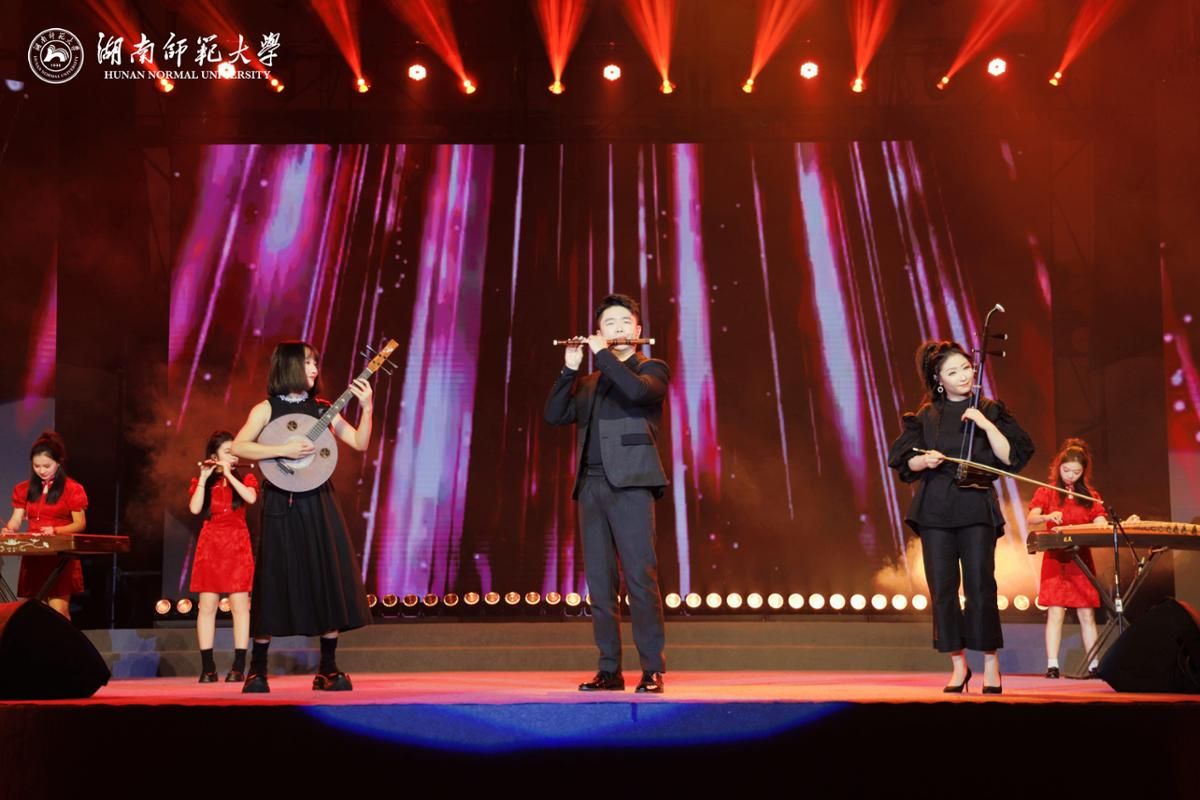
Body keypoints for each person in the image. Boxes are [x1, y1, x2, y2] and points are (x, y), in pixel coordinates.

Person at [887, 340, 1034, 694]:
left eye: (966, 368)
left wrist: (985, 424)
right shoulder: (926, 416)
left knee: (981, 585)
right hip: (936, 508)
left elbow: (1010, 457)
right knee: (943, 588)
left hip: (975, 505)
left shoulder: (989, 409)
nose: (963, 376)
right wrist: (924, 461)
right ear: (938, 380)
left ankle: (991, 664)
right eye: (953, 372)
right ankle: (958, 665)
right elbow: (904, 461)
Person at [231, 341, 373, 693]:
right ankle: (257, 669)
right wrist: (283, 449)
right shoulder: (266, 409)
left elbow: (359, 442)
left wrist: (367, 407)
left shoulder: (322, 408)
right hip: (281, 501)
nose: (314, 369)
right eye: (308, 362)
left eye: (315, 362)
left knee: (326, 574)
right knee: (273, 577)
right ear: (289, 366)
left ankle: (328, 668)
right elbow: (238, 446)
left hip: (319, 500)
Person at [544, 293, 669, 694]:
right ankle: (609, 670)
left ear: (637, 330)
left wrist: (603, 356)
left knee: (640, 580)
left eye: (623, 323)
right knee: (600, 584)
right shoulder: (590, 382)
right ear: (598, 331)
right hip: (591, 487)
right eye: (608, 324)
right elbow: (554, 416)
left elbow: (637, 393)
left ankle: (652, 669)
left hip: (632, 483)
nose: (617, 329)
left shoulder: (651, 368)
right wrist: (569, 370)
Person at [1026, 438, 1107, 678]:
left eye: (1076, 472)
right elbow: (1032, 518)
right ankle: (1052, 665)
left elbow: (1099, 518)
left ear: (1083, 472)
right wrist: (1047, 517)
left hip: (1081, 559)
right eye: (1066, 470)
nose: (1071, 476)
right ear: (1058, 467)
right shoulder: (1047, 492)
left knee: (1086, 613)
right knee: (1055, 612)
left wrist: (1101, 522)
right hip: (1056, 558)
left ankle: (1094, 666)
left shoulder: (1090, 495)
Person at [188, 430, 258, 683]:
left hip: (237, 543)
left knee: (240, 606)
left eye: (235, 452)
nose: (234, 456)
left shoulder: (246, 477)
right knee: (207, 606)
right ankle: (208, 668)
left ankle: (238, 666)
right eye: (228, 452)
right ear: (214, 456)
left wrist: (229, 474)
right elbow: (195, 508)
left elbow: (250, 497)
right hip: (211, 545)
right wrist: (204, 478)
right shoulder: (204, 481)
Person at [2, 431, 87, 620]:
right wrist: (10, 528)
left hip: (59, 554)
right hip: (35, 555)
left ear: (58, 463)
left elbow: (80, 524)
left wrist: (55, 530)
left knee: (59, 610)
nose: (41, 470)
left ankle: (64, 640)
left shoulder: (72, 489)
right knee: (36, 611)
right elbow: (17, 519)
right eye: (36, 466)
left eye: (47, 466)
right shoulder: (23, 489)